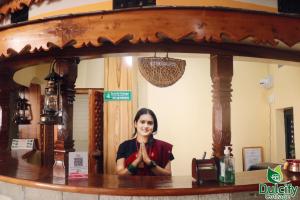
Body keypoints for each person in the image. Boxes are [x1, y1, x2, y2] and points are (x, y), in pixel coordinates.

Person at [116, 108, 174, 176]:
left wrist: (148, 161)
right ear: (135, 124)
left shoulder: (164, 147)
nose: (146, 126)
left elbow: (168, 175)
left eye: (150, 123)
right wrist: (137, 161)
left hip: (155, 186)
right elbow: (120, 174)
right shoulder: (124, 146)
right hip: (130, 186)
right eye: (142, 122)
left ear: (154, 126)